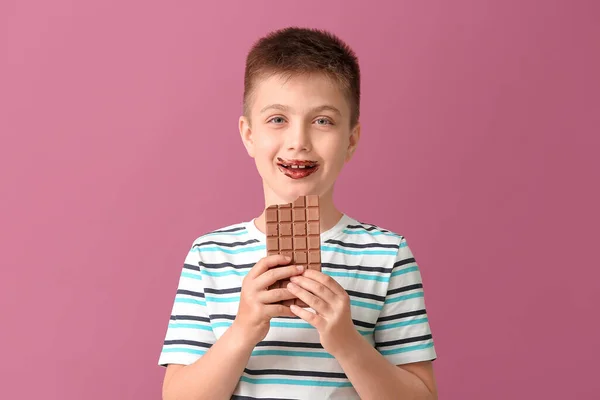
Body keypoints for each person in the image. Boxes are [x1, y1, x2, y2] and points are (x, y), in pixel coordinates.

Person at [158, 26, 438, 400]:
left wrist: (347, 343)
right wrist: (245, 328)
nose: (299, 141)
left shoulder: (388, 255)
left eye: (323, 120)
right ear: (249, 134)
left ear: (351, 140)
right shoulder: (210, 256)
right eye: (278, 119)